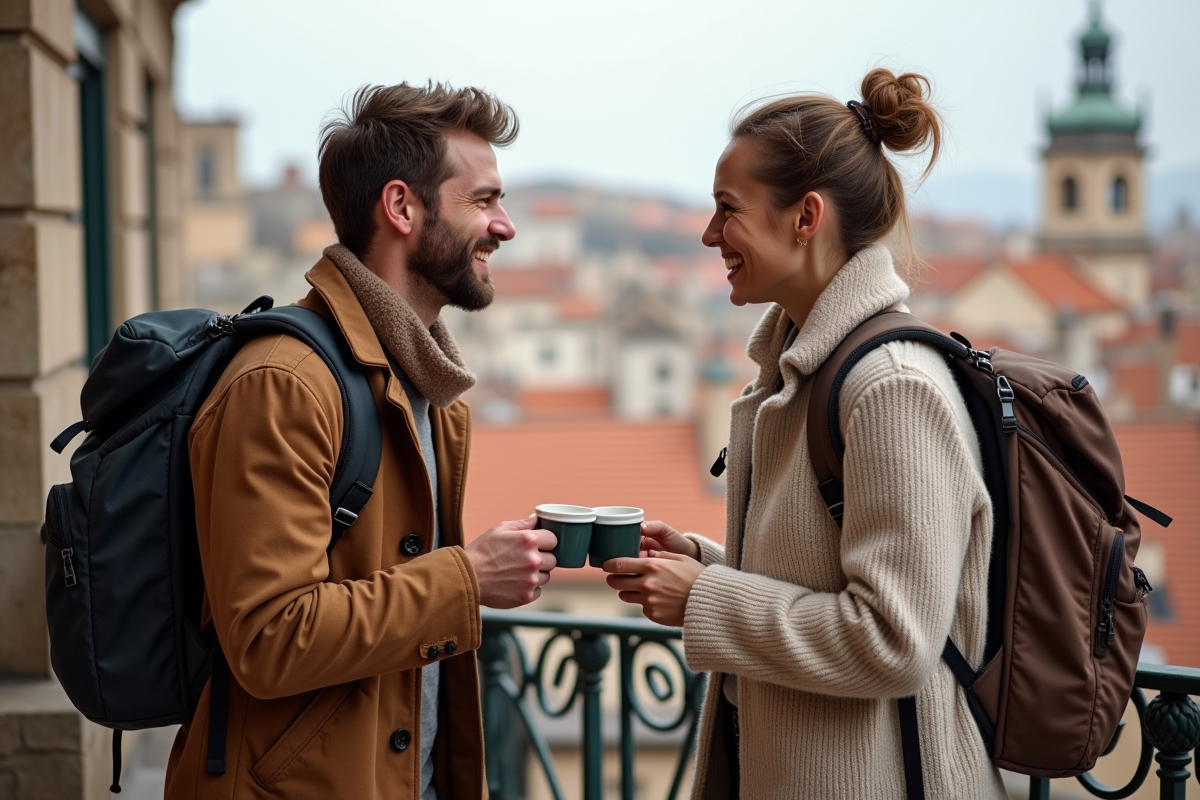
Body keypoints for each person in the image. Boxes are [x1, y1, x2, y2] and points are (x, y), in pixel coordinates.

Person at [604, 69, 1007, 799]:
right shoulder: (803, 371)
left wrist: (704, 598)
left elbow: (894, 640)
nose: (709, 235)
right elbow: (822, 578)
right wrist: (702, 563)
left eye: (728, 209)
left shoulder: (891, 387)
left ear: (806, 217)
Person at [165, 83, 558, 800]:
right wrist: (468, 580)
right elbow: (268, 638)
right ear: (402, 207)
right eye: (483, 201)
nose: (504, 226)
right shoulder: (284, 384)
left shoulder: (420, 384)